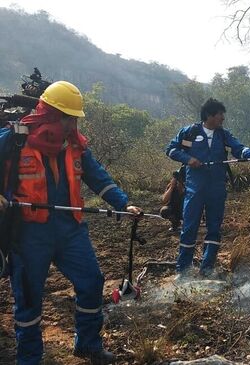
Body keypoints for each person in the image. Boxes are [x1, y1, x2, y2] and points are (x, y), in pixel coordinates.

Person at [0, 81, 143, 365]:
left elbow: (98, 177)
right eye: (69, 117)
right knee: (29, 299)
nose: (73, 123)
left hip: (70, 231)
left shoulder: (75, 145)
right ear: (52, 114)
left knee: (92, 281)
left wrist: (123, 203)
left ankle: (88, 344)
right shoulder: (14, 140)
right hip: (28, 234)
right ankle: (30, 359)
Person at [166, 98, 250, 278]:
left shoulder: (223, 135)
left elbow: (239, 150)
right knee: (189, 227)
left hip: (217, 188)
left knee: (214, 228)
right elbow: (171, 150)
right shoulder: (189, 133)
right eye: (220, 114)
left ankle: (207, 268)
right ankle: (183, 270)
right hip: (195, 189)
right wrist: (189, 160)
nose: (222, 118)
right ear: (209, 115)